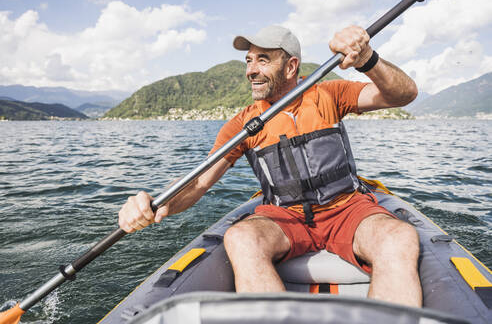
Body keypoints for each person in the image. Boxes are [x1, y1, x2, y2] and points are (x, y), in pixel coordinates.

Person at [118, 25, 421, 307]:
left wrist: (367, 59)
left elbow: (403, 94)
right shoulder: (242, 124)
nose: (251, 70)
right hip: (284, 216)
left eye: (263, 60)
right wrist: (155, 204)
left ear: (290, 66)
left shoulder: (328, 94)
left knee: (398, 237)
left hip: (346, 209)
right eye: (248, 61)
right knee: (240, 237)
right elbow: (199, 183)